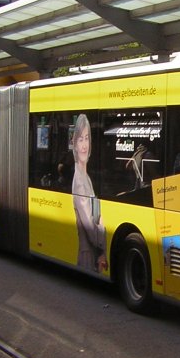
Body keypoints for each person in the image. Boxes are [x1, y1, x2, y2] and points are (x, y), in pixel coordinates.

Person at [71, 114, 107, 273]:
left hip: (91, 253)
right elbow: (89, 226)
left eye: (87, 138)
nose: (84, 144)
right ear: (75, 145)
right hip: (88, 256)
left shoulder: (86, 177)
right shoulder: (79, 180)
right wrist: (102, 229)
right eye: (80, 139)